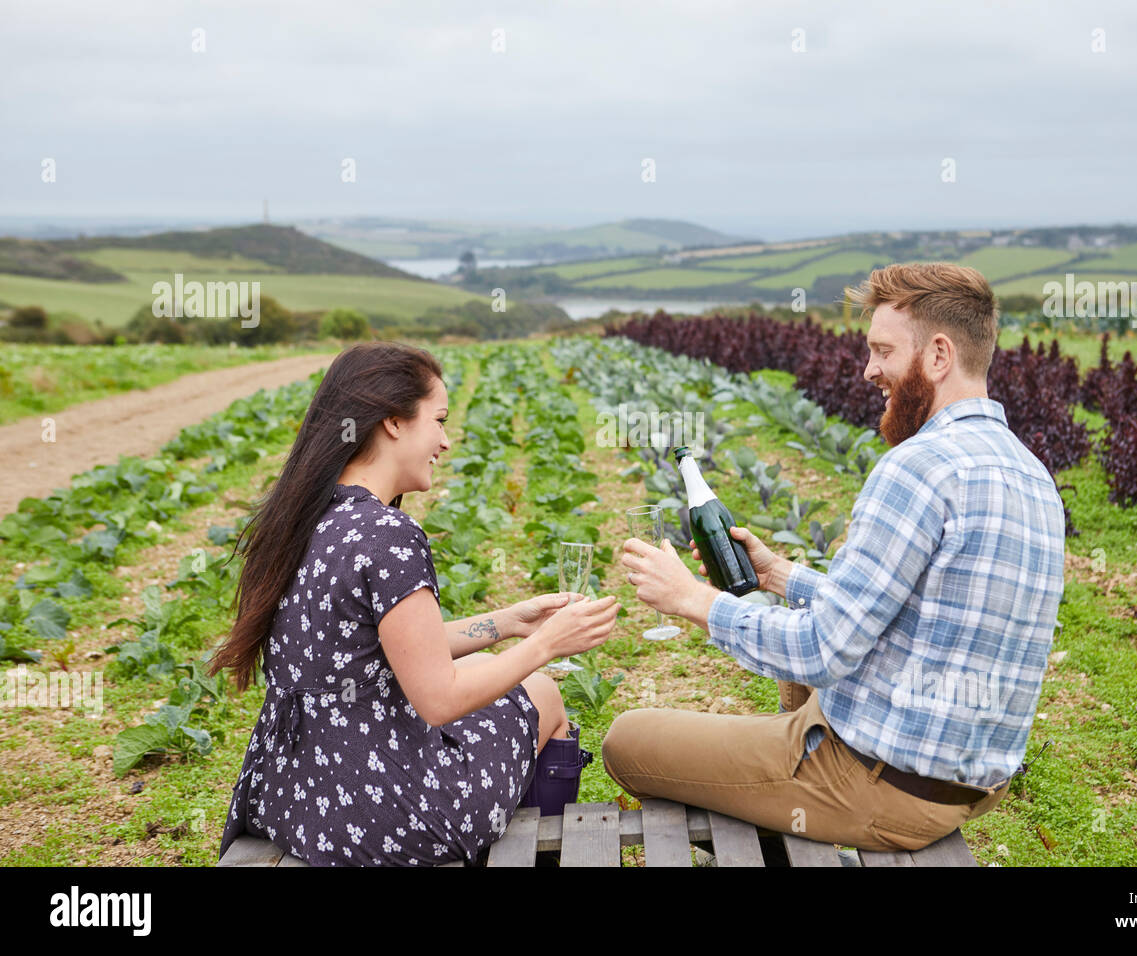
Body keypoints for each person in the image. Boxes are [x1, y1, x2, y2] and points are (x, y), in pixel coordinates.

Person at [612, 262, 1066, 852]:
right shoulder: (1033, 476)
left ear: (938, 356)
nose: (869, 370)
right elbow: (910, 612)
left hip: (875, 787)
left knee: (628, 739)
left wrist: (693, 600)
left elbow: (820, 650)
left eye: (882, 352)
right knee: (799, 694)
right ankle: (773, 773)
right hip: (962, 785)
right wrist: (780, 576)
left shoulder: (916, 468)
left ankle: (776, 820)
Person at [210, 342, 619, 865]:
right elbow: (439, 699)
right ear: (394, 423)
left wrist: (509, 622)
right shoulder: (387, 534)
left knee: (498, 671)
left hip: (296, 788)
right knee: (542, 693)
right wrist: (546, 645)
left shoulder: (307, 514)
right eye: (440, 420)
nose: (446, 442)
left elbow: (379, 649)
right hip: (380, 808)